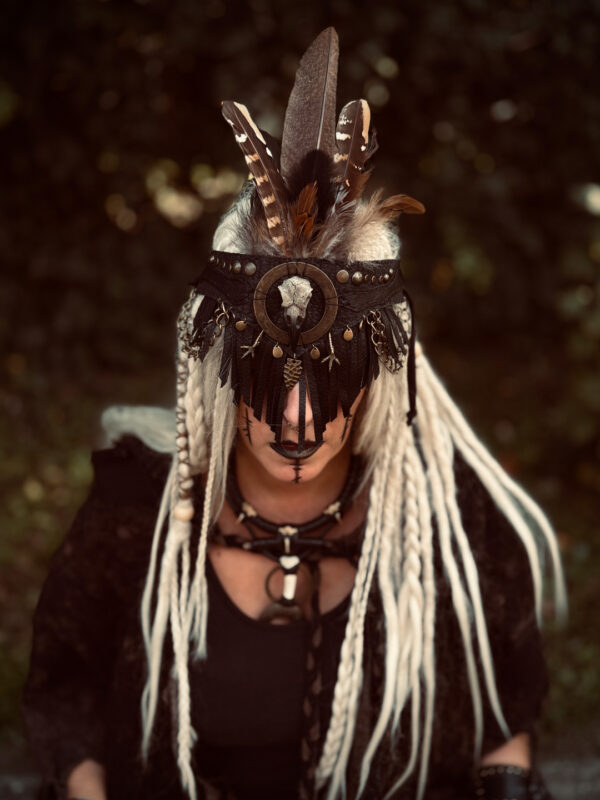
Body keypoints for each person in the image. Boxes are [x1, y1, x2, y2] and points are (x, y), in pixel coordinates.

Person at [24, 28, 565, 800]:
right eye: (263, 373)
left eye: (333, 374)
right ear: (219, 372)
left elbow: (510, 704)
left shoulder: (452, 524)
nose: (298, 418)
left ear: (380, 371)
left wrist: (507, 778)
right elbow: (64, 684)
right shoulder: (136, 512)